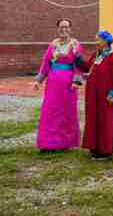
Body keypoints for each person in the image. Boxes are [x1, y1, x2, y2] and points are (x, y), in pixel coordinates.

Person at [75, 31, 113, 160]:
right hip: (93, 96)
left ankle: (106, 150)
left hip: (106, 97)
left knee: (106, 121)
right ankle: (95, 146)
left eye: (98, 40)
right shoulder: (96, 55)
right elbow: (87, 67)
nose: (96, 42)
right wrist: (77, 57)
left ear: (105, 41)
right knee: (94, 119)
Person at [32, 19, 82, 153]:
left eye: (66, 27)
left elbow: (78, 65)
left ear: (70, 29)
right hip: (53, 84)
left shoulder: (75, 45)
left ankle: (65, 142)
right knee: (50, 111)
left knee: (66, 112)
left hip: (68, 85)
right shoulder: (52, 45)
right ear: (57, 29)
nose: (63, 29)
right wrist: (38, 80)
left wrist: (76, 81)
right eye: (61, 27)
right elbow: (45, 64)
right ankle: (49, 143)